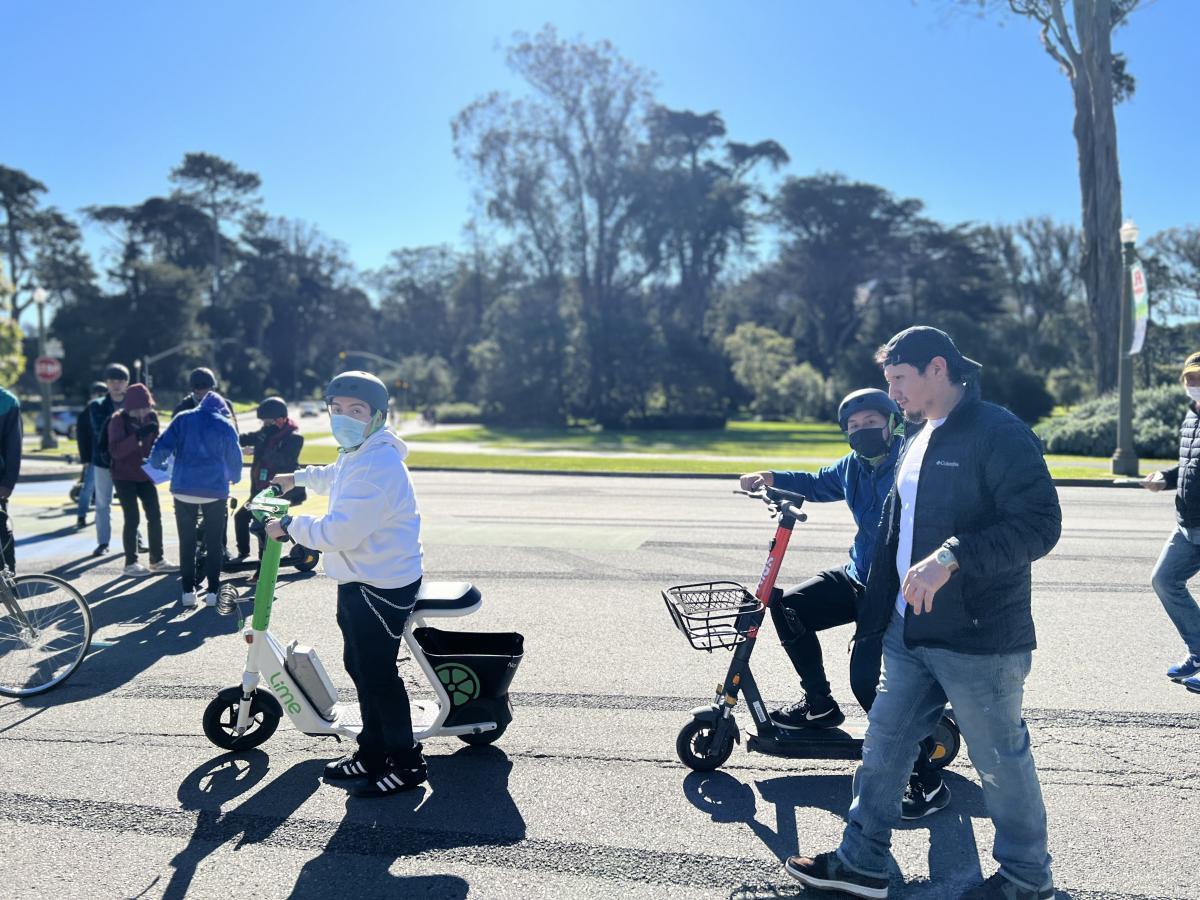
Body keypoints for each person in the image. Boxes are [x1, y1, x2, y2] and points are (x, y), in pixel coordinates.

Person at [786, 326, 1061, 900]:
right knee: (884, 746)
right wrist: (875, 622)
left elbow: (1039, 525)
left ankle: (1026, 880)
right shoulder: (914, 436)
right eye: (889, 381)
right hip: (909, 631)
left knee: (1000, 764)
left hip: (980, 638)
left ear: (938, 368)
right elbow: (892, 535)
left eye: (899, 380)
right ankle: (862, 862)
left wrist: (954, 556)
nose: (893, 394)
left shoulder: (998, 432)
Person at [739, 388, 950, 820]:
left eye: (870, 422)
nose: (861, 432)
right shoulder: (853, 467)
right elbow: (817, 482)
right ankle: (819, 704)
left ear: (892, 423)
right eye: (853, 427)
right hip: (856, 575)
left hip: (890, 590)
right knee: (791, 606)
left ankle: (926, 779)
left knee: (867, 684)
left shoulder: (910, 463)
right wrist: (771, 476)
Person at [266, 371, 425, 798]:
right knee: (360, 667)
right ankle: (372, 751)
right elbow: (335, 475)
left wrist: (289, 525)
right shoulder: (361, 452)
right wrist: (295, 478)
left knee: (377, 675)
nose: (345, 418)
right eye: (337, 410)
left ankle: (407, 764)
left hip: (381, 584)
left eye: (356, 411)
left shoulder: (378, 466)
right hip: (361, 577)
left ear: (377, 416)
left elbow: (338, 533)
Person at [148, 392, 242, 608]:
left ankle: (187, 591)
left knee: (187, 543)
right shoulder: (224, 424)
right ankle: (212, 592)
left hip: (183, 488)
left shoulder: (182, 418)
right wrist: (234, 477)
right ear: (220, 409)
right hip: (214, 491)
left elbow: (161, 446)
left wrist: (157, 464)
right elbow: (234, 458)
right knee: (215, 541)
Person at [1143, 351, 1200, 694]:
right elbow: (1190, 466)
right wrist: (1164, 478)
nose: (1194, 386)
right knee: (1164, 580)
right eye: (1190, 380)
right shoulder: (1191, 418)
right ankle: (1198, 653)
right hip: (1187, 523)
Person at [107, 384, 174, 577]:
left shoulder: (152, 418)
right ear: (129, 407)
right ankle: (131, 562)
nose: (143, 412)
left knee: (155, 515)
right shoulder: (118, 421)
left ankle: (157, 559)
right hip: (123, 475)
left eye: (146, 408)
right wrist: (137, 436)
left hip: (146, 474)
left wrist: (163, 449)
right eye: (138, 409)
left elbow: (155, 446)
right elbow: (116, 451)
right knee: (132, 518)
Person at [235, 397, 305, 564]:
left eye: (268, 421)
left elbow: (284, 461)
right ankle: (243, 554)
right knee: (241, 517)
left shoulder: (294, 438)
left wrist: (257, 449)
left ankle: (263, 567)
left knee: (263, 526)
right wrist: (228, 437)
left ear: (280, 419)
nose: (265, 425)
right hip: (260, 489)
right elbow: (247, 437)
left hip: (281, 491)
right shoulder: (266, 433)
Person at [85, 363, 145, 557]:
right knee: (103, 503)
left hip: (129, 461)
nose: (116, 384)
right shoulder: (97, 405)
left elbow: (141, 428)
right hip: (103, 461)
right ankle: (103, 542)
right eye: (112, 381)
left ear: (127, 382)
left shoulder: (136, 403)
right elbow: (99, 430)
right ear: (106, 383)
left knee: (131, 502)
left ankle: (137, 539)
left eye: (120, 380)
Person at [73, 381, 108, 529]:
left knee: (106, 491)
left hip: (110, 455)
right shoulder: (85, 413)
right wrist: (85, 458)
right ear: (92, 395)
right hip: (93, 457)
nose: (100, 396)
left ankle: (102, 516)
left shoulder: (108, 409)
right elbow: (81, 437)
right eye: (97, 393)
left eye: (102, 393)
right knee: (88, 487)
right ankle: (81, 515)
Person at [0, 384, 22, 571]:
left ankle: (8, 577)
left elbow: (14, 447)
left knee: (0, 529)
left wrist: (8, 483)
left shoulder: (7, 402)